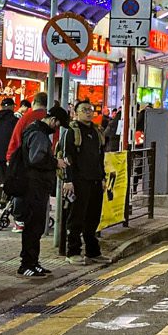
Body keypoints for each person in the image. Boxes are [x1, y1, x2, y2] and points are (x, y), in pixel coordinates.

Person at [11, 103, 62, 277]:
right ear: (53, 120)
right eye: (58, 125)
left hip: (35, 186)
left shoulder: (35, 131)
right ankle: (27, 264)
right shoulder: (39, 135)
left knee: (36, 226)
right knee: (34, 226)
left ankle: (33, 262)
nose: (57, 129)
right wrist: (56, 162)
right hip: (34, 187)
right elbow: (36, 159)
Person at [59, 99, 107, 260]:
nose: (88, 112)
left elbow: (101, 158)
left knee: (93, 218)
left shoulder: (96, 132)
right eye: (84, 109)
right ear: (76, 113)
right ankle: (73, 252)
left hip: (95, 180)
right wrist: (68, 180)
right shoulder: (71, 132)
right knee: (76, 217)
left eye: (90, 109)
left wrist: (102, 178)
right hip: (78, 181)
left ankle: (93, 251)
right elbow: (67, 157)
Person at [0, 97, 18, 221]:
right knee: (10, 178)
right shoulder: (15, 121)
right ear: (11, 106)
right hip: (11, 156)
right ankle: (10, 200)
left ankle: (1, 200)